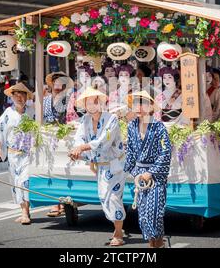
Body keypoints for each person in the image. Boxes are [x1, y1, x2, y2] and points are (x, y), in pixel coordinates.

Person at [69, 88, 127, 246]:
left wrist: (81, 148)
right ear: (85, 105)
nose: (92, 104)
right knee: (103, 197)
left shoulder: (112, 119)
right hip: (100, 166)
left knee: (114, 198)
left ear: (101, 103)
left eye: (95, 101)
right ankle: (118, 224)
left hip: (115, 164)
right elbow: (78, 139)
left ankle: (118, 233)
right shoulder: (85, 120)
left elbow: (104, 142)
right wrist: (76, 150)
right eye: (89, 102)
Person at [124, 91, 172, 248]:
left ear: (150, 106)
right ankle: (156, 243)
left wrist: (150, 172)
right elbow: (130, 151)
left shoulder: (158, 127)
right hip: (140, 176)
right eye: (135, 104)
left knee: (154, 212)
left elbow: (165, 152)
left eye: (142, 103)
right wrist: (131, 171)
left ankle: (156, 244)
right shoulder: (131, 126)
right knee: (143, 214)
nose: (137, 107)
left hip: (156, 176)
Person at [0, 83, 35, 225]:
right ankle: (24, 211)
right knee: (16, 184)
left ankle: (24, 213)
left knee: (25, 181)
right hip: (12, 153)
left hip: (28, 154)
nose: (19, 97)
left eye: (22, 95)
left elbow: (40, 127)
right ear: (12, 97)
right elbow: (0, 129)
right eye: (16, 95)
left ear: (26, 97)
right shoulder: (7, 112)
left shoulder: (32, 111)